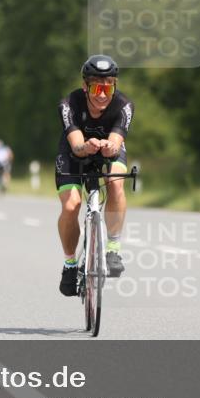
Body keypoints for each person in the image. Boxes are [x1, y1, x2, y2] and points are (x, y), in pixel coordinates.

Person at [55, 55, 134, 297]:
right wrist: (87, 146)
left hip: (107, 150)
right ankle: (70, 264)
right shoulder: (69, 104)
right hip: (74, 153)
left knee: (116, 184)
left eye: (108, 87)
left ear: (114, 87)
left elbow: (116, 141)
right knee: (71, 206)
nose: (102, 94)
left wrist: (109, 146)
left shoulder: (124, 106)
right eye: (97, 87)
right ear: (85, 86)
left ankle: (113, 249)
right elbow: (77, 145)